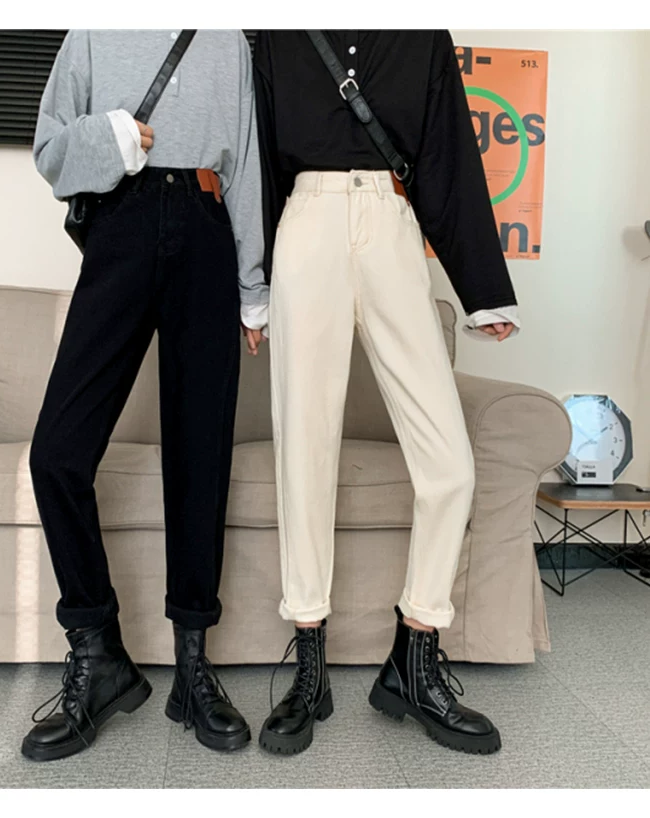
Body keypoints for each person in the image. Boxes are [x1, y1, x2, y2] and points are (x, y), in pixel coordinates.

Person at [254, 29, 519, 757]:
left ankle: (414, 655)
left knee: (450, 465)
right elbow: (258, 164)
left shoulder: (421, 35)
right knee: (304, 450)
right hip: (304, 226)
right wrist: (250, 288)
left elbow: (448, 157)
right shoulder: (277, 35)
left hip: (393, 225)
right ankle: (309, 666)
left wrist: (483, 291)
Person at [21, 29, 268, 761]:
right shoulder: (93, 30)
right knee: (57, 454)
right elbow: (50, 150)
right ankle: (98, 652)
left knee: (200, 459)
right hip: (120, 227)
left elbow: (247, 163)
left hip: (206, 230)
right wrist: (113, 138)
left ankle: (193, 667)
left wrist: (253, 288)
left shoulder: (229, 40)